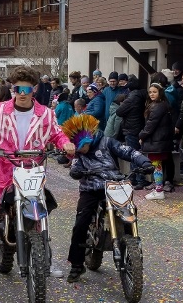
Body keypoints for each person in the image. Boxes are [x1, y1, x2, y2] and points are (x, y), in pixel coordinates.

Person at [0, 67, 75, 282]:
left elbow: (58, 134)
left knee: (40, 214)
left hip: (32, 171)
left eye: (27, 89)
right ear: (12, 89)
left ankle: (45, 259)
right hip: (2, 171)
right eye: (17, 89)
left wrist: (66, 143)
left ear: (35, 89)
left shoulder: (46, 114)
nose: (22, 93)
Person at [62, 114, 150, 282]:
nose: (80, 151)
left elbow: (128, 152)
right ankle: (76, 264)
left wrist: (144, 162)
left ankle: (132, 250)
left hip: (115, 186)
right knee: (81, 223)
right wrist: (76, 172)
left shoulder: (107, 142)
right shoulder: (78, 155)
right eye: (77, 149)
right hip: (91, 189)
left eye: (81, 147)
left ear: (87, 139)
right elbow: (74, 168)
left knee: (130, 214)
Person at [139, 82, 174, 199]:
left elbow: (150, 124)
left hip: (157, 141)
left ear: (160, 93)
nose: (152, 94)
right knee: (157, 165)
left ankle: (159, 190)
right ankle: (158, 188)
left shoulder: (158, 106)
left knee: (157, 165)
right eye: (150, 92)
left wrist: (142, 135)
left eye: (154, 92)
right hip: (158, 140)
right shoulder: (159, 104)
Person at [115, 74, 147, 189]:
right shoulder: (142, 95)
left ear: (129, 88)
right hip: (139, 127)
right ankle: (135, 177)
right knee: (137, 153)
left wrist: (122, 102)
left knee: (133, 154)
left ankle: (138, 179)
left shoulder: (131, 98)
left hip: (131, 129)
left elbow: (119, 112)